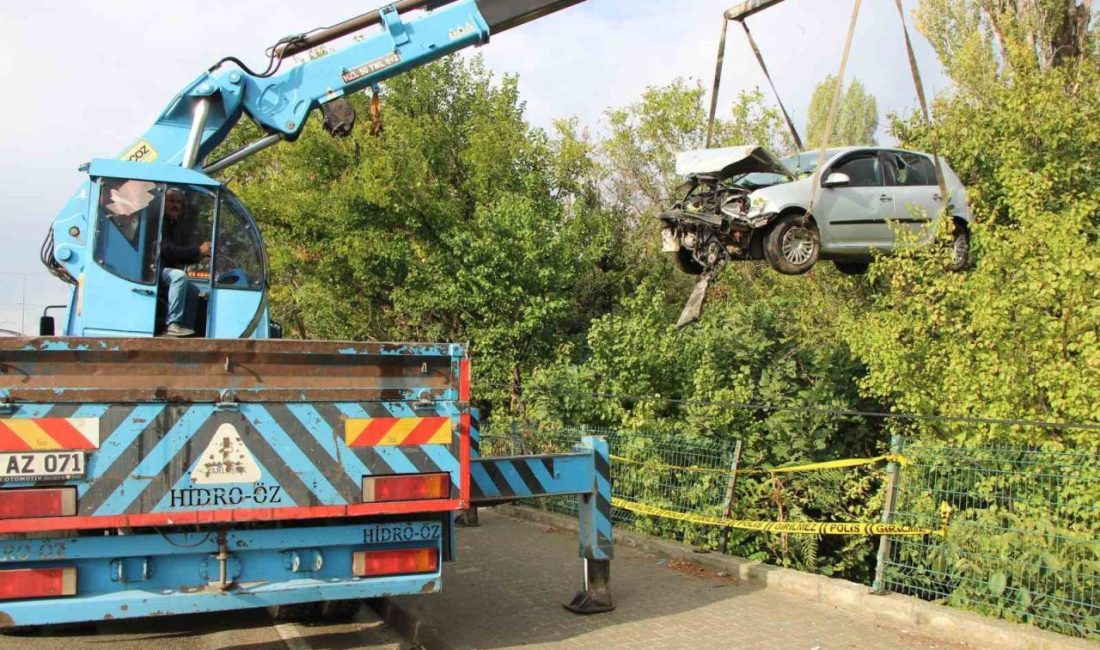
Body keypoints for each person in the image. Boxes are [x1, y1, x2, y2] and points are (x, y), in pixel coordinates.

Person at [160, 188, 211, 337]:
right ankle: (173, 323)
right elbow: (167, 251)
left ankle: (185, 328)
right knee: (179, 276)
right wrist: (197, 251)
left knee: (193, 290)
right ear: (163, 202)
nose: (175, 205)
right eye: (171, 201)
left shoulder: (174, 225)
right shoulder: (158, 223)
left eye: (178, 202)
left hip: (164, 270)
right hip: (153, 271)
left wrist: (199, 255)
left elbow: (179, 254)